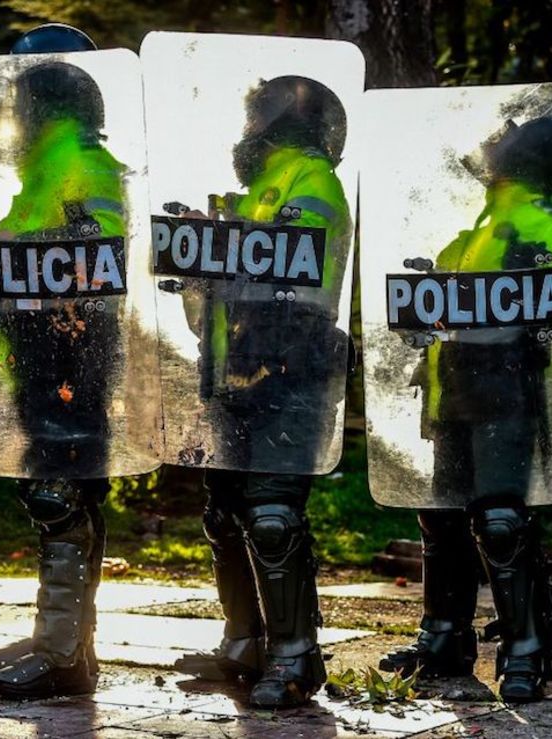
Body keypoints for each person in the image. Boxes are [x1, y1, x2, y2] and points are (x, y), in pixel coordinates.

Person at [379, 116, 552, 703]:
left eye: (501, 140)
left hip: (507, 394)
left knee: (499, 520)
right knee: (442, 518)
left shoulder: (538, 218)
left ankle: (523, 648)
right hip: (455, 391)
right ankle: (444, 638)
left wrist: (550, 285)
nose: (487, 147)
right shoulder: (484, 220)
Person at [173, 76, 352, 708]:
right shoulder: (258, 195)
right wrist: (201, 246)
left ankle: (295, 654)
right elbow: (227, 292)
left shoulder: (311, 184)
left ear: (277, 124)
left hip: (288, 370)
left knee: (273, 516)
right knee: (226, 513)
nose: (245, 131)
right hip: (233, 372)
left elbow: (290, 284)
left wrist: (216, 249)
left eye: (255, 119)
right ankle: (245, 641)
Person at [0, 23, 121, 700]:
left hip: (72, 364)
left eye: (22, 100)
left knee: (60, 498)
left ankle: (64, 656)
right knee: (63, 497)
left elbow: (100, 269)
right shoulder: (49, 170)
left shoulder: (79, 169)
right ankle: (64, 637)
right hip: (49, 361)